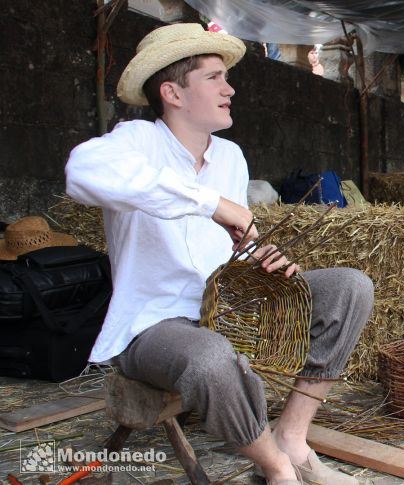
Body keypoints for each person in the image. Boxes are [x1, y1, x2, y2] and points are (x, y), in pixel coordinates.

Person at [66, 23, 373, 485]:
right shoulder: (135, 141)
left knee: (350, 287)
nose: (229, 88)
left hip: (225, 307)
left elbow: (234, 244)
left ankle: (292, 436)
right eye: (213, 77)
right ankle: (276, 469)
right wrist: (210, 202)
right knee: (211, 357)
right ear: (172, 91)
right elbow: (81, 172)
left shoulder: (230, 156)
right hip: (154, 325)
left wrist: (262, 261)